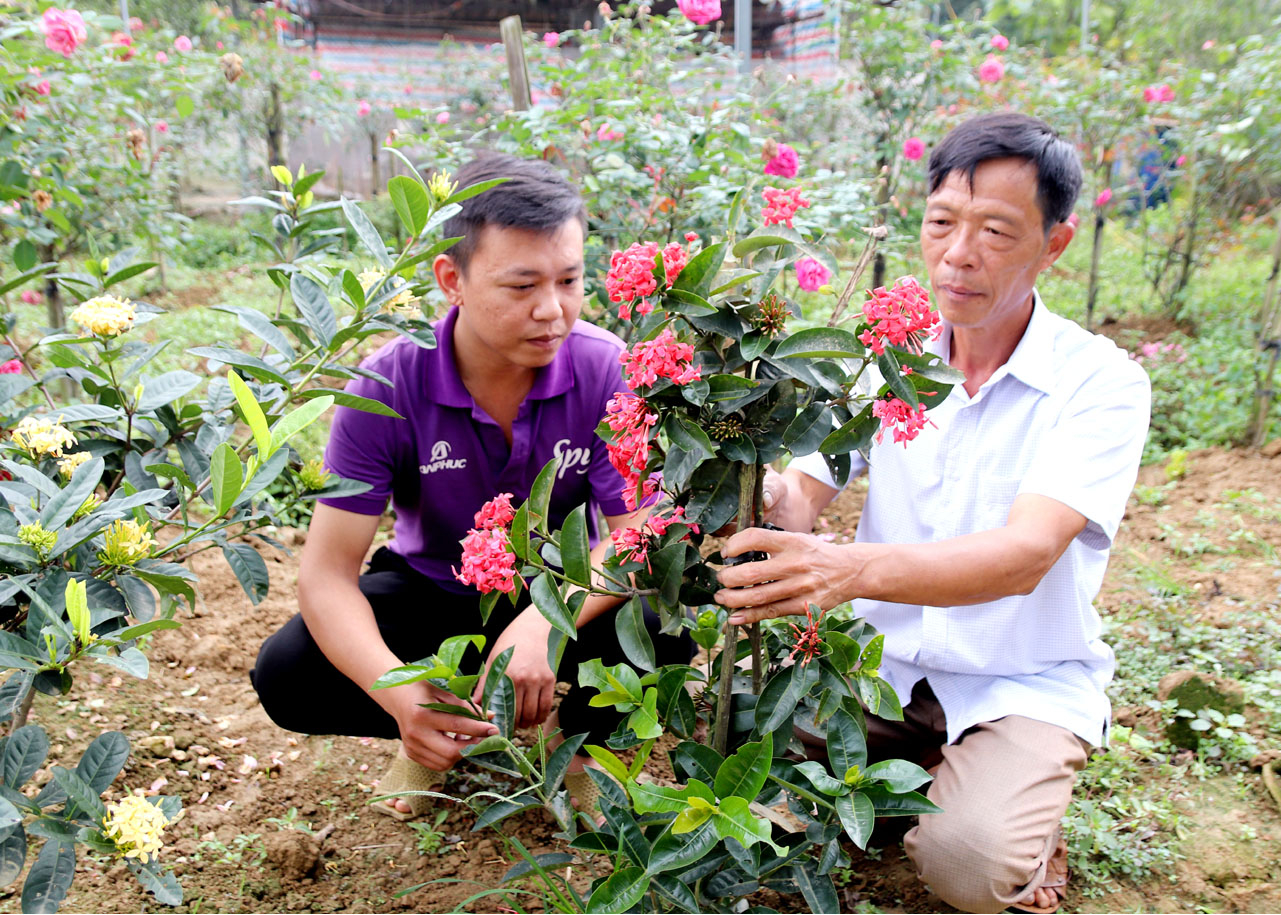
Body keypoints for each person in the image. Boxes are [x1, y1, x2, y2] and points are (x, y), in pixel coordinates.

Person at [715, 112, 1151, 915]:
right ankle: (928, 778)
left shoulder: (1099, 384)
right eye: (942, 223)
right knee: (742, 748)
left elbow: (1024, 554)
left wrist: (846, 569)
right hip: (881, 671)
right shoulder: (887, 355)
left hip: (1018, 679)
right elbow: (801, 494)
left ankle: (1006, 809)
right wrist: (737, 480)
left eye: (995, 230)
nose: (958, 254)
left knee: (965, 865)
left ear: (1054, 244)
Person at [251, 154, 690, 820]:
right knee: (289, 672)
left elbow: (638, 536)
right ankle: (439, 732)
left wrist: (544, 622)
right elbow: (326, 576)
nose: (553, 310)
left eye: (569, 280)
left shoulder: (605, 371)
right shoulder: (387, 385)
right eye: (520, 286)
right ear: (450, 279)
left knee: (668, 628)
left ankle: (569, 745)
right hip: (432, 590)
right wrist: (401, 697)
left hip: (564, 590)